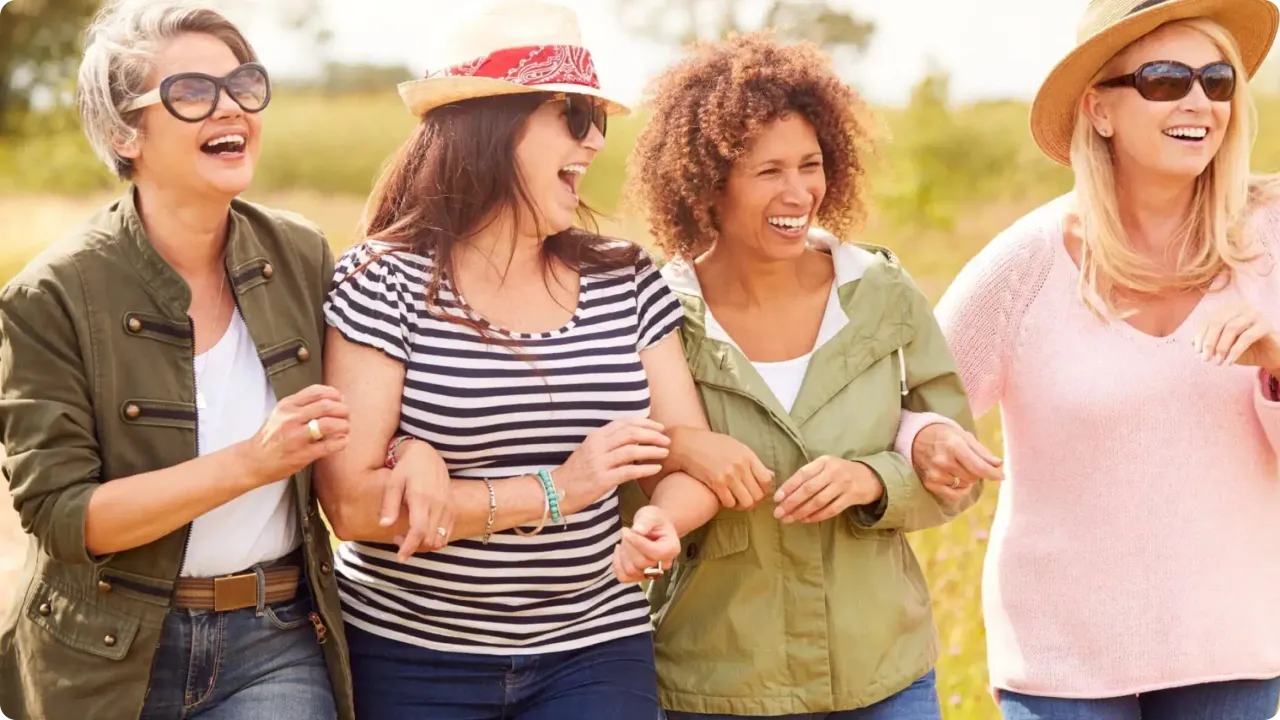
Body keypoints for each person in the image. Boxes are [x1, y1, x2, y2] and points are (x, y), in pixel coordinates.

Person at [312, 3, 719, 718]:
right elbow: (350, 504)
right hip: (410, 653)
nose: (594, 138)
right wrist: (557, 489)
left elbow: (682, 458)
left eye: (595, 114)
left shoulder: (626, 278)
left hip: (594, 645)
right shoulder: (384, 281)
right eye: (570, 113)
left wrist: (668, 520)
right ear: (491, 126)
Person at [907, 0, 1280, 717]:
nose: (1199, 100)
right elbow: (905, 400)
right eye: (1166, 80)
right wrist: (924, 439)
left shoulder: (1269, 240)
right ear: (1099, 111)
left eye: (1217, 80)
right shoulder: (1026, 262)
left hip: (1230, 647)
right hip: (1062, 663)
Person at [614, 32, 987, 720]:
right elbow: (633, 486)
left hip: (884, 678)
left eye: (810, 165)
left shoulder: (881, 293)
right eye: (768, 171)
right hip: (719, 682)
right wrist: (672, 473)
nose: (800, 192)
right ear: (706, 183)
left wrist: (876, 479)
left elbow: (954, 471)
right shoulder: (655, 314)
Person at [0, 1, 355, 719]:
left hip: (276, 638)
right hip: (103, 656)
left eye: (244, 85)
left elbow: (367, 421)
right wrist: (251, 463)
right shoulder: (51, 294)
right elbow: (65, 516)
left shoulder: (302, 255)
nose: (231, 109)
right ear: (122, 132)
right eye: (191, 92)